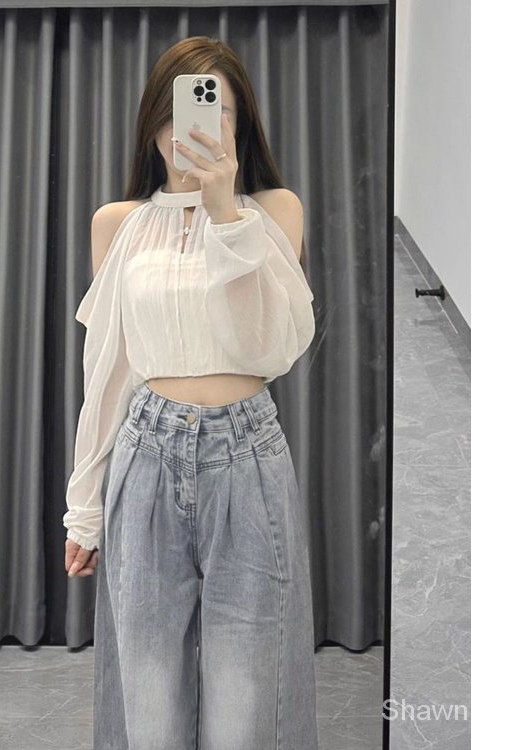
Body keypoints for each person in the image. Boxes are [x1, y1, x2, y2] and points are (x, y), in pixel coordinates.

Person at [63, 35, 319, 750]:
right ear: (154, 123)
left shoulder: (274, 213)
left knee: (248, 702)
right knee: (149, 704)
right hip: (144, 456)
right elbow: (107, 372)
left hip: (248, 458)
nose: (195, 130)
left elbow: (269, 347)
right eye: (179, 112)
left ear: (240, 127)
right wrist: (84, 509)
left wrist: (225, 214)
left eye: (217, 112)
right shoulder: (118, 225)